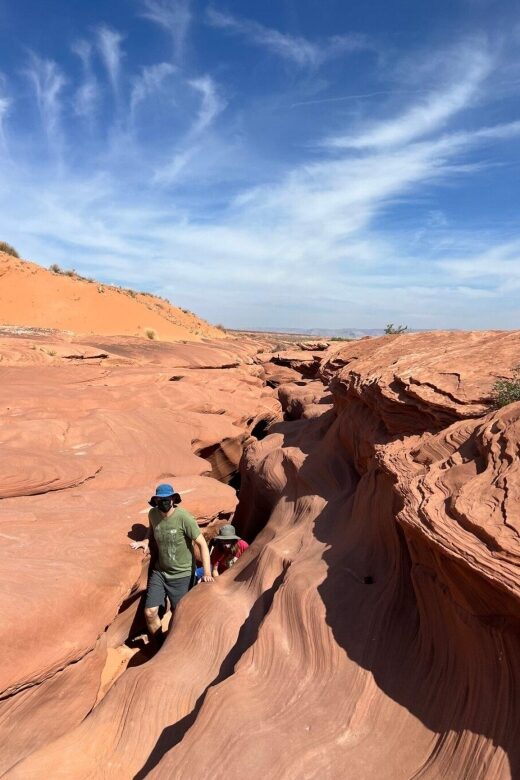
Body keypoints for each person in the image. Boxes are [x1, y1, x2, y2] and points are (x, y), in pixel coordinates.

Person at [130, 483, 213, 647]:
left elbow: (202, 544)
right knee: (150, 612)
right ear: (155, 501)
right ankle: (160, 646)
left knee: (180, 615)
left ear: (174, 499)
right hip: (160, 572)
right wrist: (146, 540)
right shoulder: (153, 514)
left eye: (167, 499)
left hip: (182, 575)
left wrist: (207, 573)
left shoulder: (184, 518)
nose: (164, 503)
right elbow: (151, 529)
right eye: (160, 500)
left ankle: (180, 646)